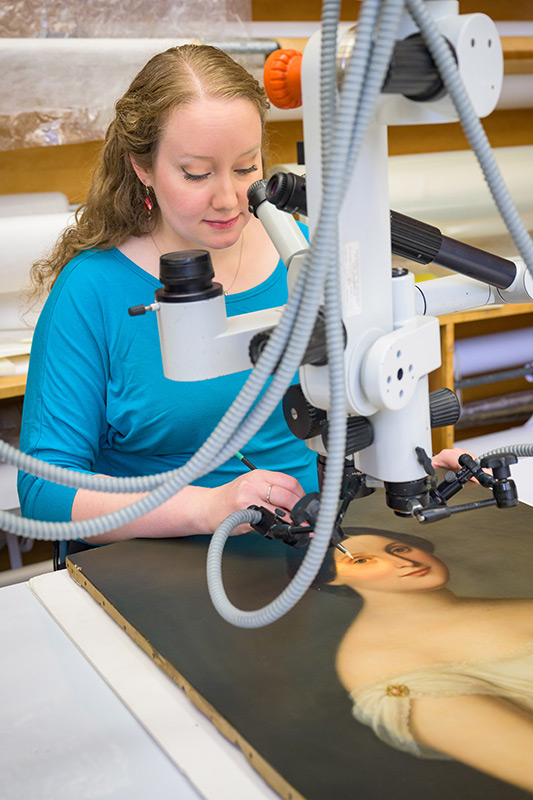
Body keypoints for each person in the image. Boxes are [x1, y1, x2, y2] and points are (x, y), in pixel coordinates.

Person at [18, 44, 469, 551]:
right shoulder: (91, 290)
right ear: (143, 167)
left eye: (245, 167)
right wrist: (206, 508)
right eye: (196, 173)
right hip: (159, 567)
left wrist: (407, 464)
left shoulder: (305, 254)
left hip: (313, 551)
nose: (228, 199)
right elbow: (44, 492)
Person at [327, 529, 533, 792]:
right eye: (361, 560)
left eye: (399, 549)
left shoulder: (488, 607)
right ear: (333, 578)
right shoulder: (376, 662)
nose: (403, 562)